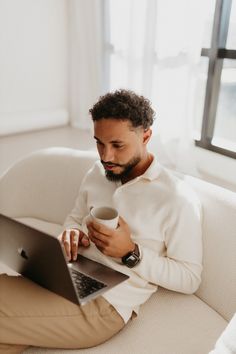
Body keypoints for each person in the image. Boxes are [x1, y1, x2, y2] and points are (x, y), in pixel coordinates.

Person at [0, 89, 202, 353]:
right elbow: (75, 216)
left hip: (105, 305)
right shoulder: (97, 172)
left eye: (117, 145)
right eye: (99, 143)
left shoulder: (177, 199)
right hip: (65, 275)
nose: (106, 156)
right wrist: (70, 233)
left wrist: (131, 254)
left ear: (146, 136)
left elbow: (190, 278)